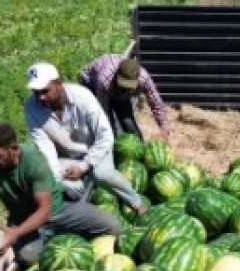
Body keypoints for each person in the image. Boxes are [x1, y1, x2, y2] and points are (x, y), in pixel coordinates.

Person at [0, 122, 121, 271]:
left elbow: (45, 210)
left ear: (14, 148)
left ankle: (60, 238)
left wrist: (16, 233)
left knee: (113, 227)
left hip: (58, 210)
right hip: (24, 221)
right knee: (28, 256)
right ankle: (27, 247)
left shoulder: (33, 161)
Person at [24, 62, 147, 215]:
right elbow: (44, 147)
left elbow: (105, 135)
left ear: (59, 82)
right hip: (67, 156)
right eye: (36, 92)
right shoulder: (31, 107)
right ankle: (87, 209)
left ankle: (137, 203)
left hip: (96, 147)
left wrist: (84, 166)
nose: (40, 97)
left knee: (101, 174)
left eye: (45, 91)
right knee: (47, 179)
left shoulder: (82, 97)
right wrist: (56, 178)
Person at [78, 54, 172, 141]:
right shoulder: (104, 80)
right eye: (123, 86)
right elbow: (104, 112)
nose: (125, 90)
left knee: (128, 123)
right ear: (117, 76)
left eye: (129, 88)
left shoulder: (144, 79)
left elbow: (155, 102)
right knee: (106, 126)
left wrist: (164, 125)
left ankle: (139, 151)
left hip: (112, 86)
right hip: (91, 83)